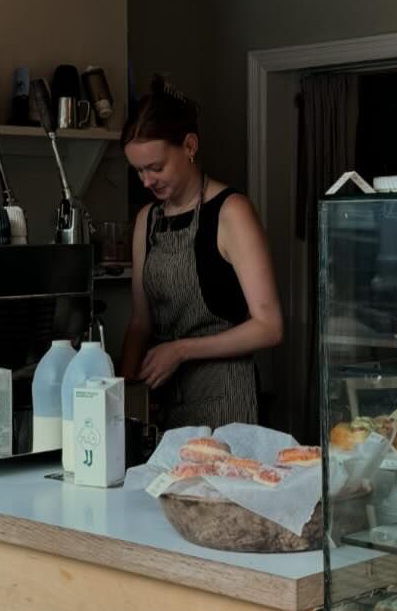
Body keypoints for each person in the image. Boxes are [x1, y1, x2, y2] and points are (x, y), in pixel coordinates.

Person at [120, 76, 283, 429]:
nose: (147, 182)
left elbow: (269, 327)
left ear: (190, 145)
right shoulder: (146, 220)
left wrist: (180, 350)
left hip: (226, 400)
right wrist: (124, 392)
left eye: (156, 167)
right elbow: (140, 322)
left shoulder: (232, 212)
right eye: (138, 171)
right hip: (163, 401)